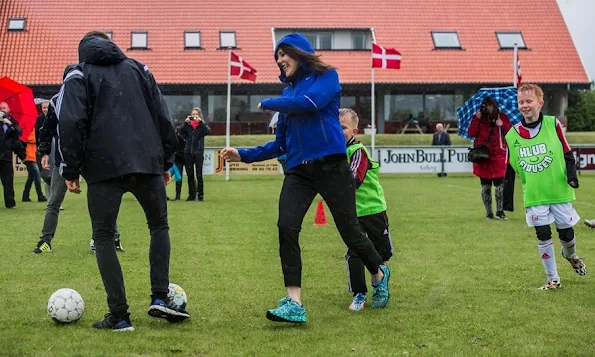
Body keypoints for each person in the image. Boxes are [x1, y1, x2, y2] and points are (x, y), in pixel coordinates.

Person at [221, 33, 390, 324]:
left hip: (331, 166)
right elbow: (281, 144)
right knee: (286, 226)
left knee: (350, 232)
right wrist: (244, 154)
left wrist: (271, 103)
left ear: (299, 53)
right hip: (299, 171)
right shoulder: (287, 96)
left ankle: (378, 272)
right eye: (276, 57)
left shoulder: (327, 78)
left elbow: (310, 103)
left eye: (283, 54)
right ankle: (294, 302)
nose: (279, 60)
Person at [57, 31, 188, 331]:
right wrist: (166, 160)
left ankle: (119, 316)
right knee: (158, 226)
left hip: (103, 168)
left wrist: (70, 169)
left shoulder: (78, 73)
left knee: (103, 237)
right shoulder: (139, 68)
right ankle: (159, 298)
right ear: (111, 45)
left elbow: (70, 121)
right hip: (146, 162)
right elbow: (162, 114)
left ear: (83, 50)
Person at [31, 66, 124, 254]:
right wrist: (45, 152)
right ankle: (45, 241)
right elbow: (47, 129)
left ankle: (112, 238)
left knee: (101, 200)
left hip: (90, 158)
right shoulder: (57, 101)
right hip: (65, 159)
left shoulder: (92, 98)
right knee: (55, 202)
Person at [505, 83, 586, 290]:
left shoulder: (553, 124)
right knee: (543, 234)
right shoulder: (512, 135)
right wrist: (507, 200)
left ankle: (571, 255)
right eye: (521, 102)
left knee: (566, 235)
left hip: (559, 191)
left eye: (529, 101)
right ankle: (553, 279)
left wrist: (572, 177)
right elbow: (510, 169)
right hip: (534, 195)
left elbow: (567, 153)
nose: (524, 105)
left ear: (540, 103)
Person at [339, 108, 394, 312]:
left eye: (343, 127)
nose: (339, 131)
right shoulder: (334, 153)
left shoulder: (357, 151)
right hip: (353, 214)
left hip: (373, 210)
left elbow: (355, 180)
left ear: (354, 131)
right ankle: (359, 294)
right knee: (354, 252)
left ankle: (380, 284)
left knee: (381, 253)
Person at [468, 96, 512, 220]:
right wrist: (477, 119)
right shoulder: (478, 118)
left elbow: (511, 132)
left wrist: (502, 125)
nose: (488, 108)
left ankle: (500, 211)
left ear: (495, 106)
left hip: (498, 155)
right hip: (483, 157)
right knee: (485, 186)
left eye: (490, 105)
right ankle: (489, 212)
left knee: (500, 186)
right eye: (485, 105)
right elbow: (471, 133)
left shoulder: (502, 117)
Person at [180, 108, 210, 201]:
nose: (194, 116)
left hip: (198, 152)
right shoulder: (188, 125)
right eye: (193, 114)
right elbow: (180, 132)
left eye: (196, 114)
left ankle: (200, 195)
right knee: (190, 175)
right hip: (188, 152)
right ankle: (191, 195)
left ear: (199, 115)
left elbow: (208, 132)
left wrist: (201, 122)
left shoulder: (202, 125)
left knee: (199, 175)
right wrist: (185, 123)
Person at [0, 101, 22, 209]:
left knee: (8, 181)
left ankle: (10, 203)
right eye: (0, 108)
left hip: (6, 155)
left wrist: (9, 124)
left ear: (8, 109)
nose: (2, 110)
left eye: (4, 108)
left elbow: (18, 133)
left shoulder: (13, 121)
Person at [21, 126, 47, 202]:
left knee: (31, 177)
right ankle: (40, 195)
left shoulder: (33, 128)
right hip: (28, 155)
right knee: (36, 175)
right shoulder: (27, 129)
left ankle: (25, 196)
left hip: (32, 155)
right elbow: (27, 139)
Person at [168, 121, 185, 201]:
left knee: (178, 177)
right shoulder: (170, 137)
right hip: (174, 160)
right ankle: (176, 195)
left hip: (177, 160)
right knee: (169, 177)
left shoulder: (180, 138)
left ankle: (178, 195)